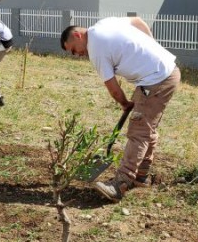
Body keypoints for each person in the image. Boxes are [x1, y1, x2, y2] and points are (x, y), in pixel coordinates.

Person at [60, 17, 181, 201]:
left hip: (157, 79)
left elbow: (113, 88)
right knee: (147, 126)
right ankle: (142, 176)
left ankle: (121, 183)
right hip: (164, 71)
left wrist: (125, 103)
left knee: (138, 130)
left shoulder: (96, 50)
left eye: (73, 50)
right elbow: (138, 21)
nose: (76, 54)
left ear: (77, 35)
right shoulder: (105, 24)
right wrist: (151, 45)